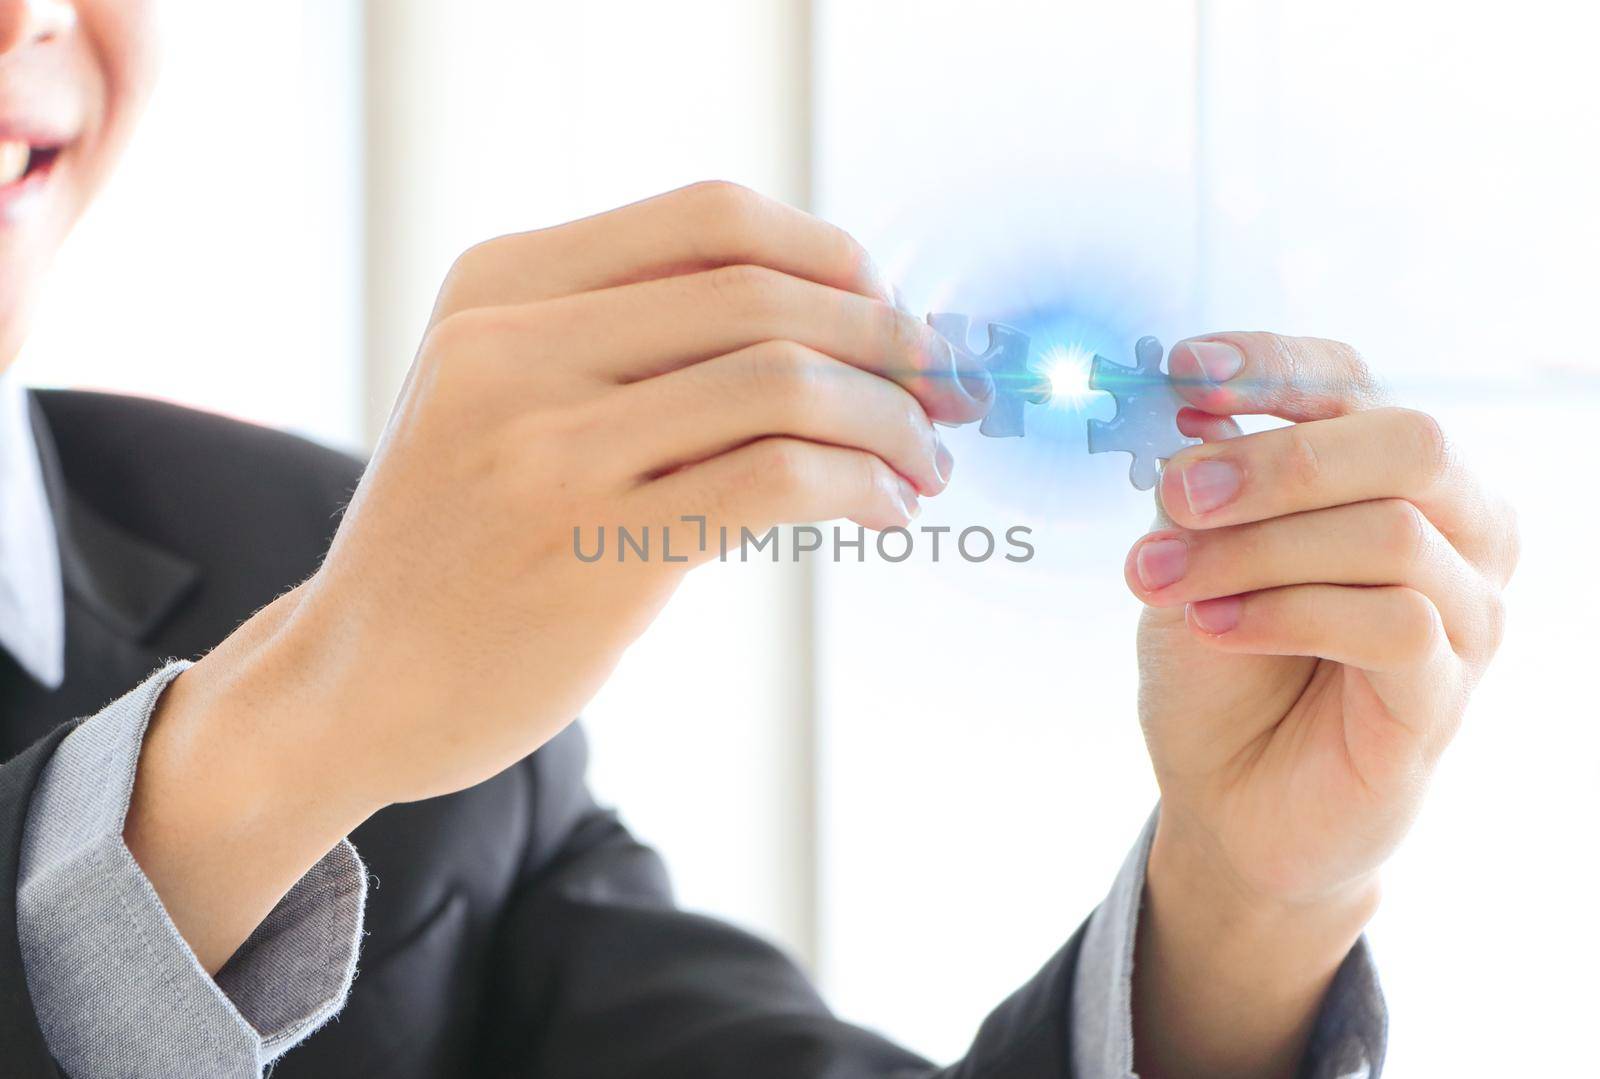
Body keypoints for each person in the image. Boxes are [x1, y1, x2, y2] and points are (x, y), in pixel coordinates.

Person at [0, 3, 1518, 1077]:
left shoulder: (318, 546)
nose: (30, 26)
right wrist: (285, 736)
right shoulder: (361, 625)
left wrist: (1249, 912)